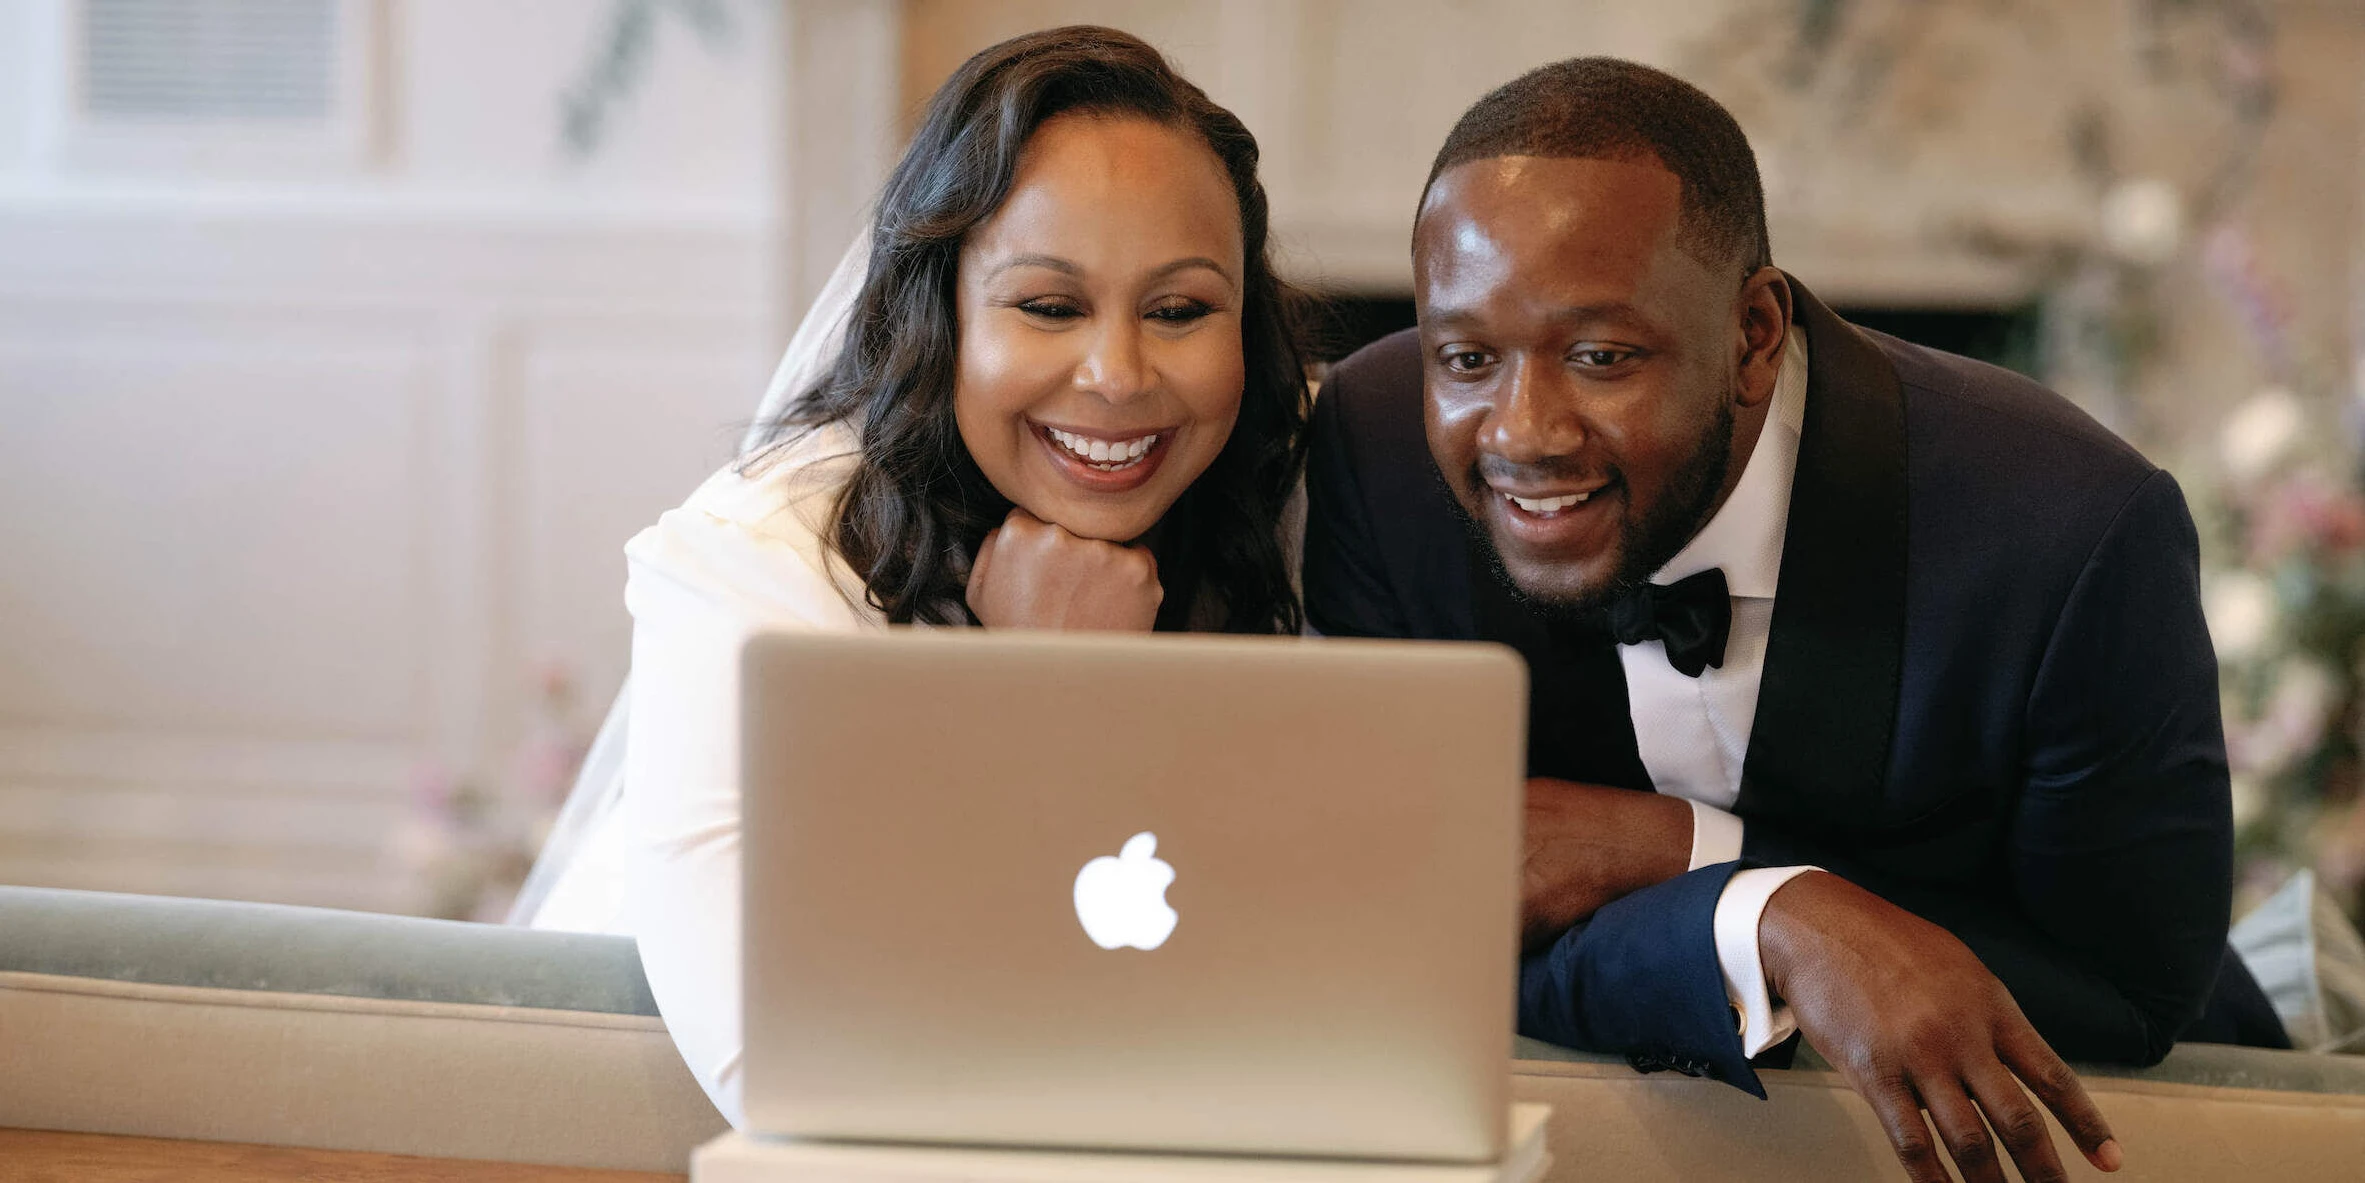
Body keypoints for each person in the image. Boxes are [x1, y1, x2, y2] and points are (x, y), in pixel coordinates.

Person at [1302, 58, 2288, 1183]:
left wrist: (1677, 851)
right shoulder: (1376, 453)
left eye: (1599, 356)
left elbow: (2127, 993)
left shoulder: (2064, 532)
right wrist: (1762, 911)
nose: (1519, 432)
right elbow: (1411, 918)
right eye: (1466, 357)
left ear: (1754, 334)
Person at [529, 26, 1311, 1127]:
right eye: (1047, 306)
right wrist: (1043, 693)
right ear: (936, 312)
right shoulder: (753, 577)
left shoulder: (1278, 501)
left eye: (1179, 310)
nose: (1119, 377)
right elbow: (792, 1065)